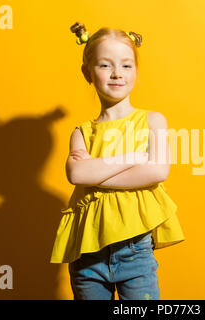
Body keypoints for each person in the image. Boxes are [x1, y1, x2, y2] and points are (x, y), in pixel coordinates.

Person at [50, 22, 185, 300]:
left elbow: (157, 170)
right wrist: (135, 158)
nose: (116, 74)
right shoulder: (82, 132)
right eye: (104, 66)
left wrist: (96, 171)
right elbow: (77, 175)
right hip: (88, 256)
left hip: (134, 251)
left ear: (136, 71)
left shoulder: (152, 121)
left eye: (126, 65)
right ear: (87, 73)